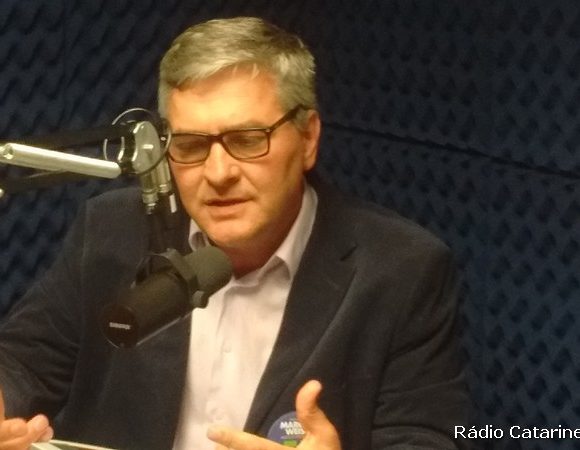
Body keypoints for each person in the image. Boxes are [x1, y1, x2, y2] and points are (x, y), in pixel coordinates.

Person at [0, 16, 470, 450]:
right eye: (190, 145)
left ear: (308, 138)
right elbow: (23, 358)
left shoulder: (400, 270)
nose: (218, 173)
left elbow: (430, 438)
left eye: (247, 140)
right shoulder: (111, 230)